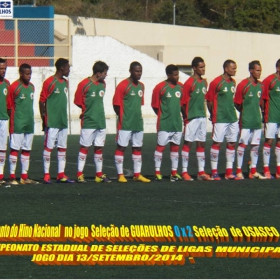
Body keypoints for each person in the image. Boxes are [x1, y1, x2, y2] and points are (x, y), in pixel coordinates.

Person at [113, 61, 150, 183]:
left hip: (138, 123)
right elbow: (116, 105)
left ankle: (137, 174)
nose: (139, 74)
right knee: (121, 147)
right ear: (130, 71)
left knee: (137, 148)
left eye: (140, 71)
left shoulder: (141, 86)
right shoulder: (123, 85)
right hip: (125, 123)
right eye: (137, 71)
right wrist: (123, 117)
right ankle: (120, 175)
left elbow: (139, 104)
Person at [74, 61, 111, 183]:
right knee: (85, 147)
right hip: (89, 121)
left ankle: (99, 174)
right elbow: (78, 101)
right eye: (105, 73)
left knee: (99, 148)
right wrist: (87, 111)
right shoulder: (84, 84)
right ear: (99, 73)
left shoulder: (103, 84)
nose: (106, 75)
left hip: (100, 121)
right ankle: (79, 174)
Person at [39, 58, 74, 184]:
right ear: (62, 68)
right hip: (52, 121)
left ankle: (61, 174)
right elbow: (42, 101)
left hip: (63, 121)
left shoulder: (65, 82)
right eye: (68, 68)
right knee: (48, 148)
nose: (69, 70)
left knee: (62, 148)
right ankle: (46, 175)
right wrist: (44, 118)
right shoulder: (49, 82)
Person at [205, 59, 239, 180]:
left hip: (232, 118)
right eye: (233, 68)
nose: (235, 70)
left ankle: (229, 172)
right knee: (217, 143)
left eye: (235, 68)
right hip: (220, 118)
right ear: (226, 69)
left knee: (231, 143)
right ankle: (214, 172)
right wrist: (212, 114)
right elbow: (209, 100)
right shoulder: (216, 82)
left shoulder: (233, 82)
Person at [181, 57, 212, 181]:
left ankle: (201, 172)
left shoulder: (204, 82)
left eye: (204, 67)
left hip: (202, 117)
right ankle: (184, 172)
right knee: (188, 143)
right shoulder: (189, 83)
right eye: (200, 67)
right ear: (194, 68)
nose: (203, 69)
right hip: (192, 118)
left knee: (201, 143)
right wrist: (186, 117)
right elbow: (182, 103)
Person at [234, 60, 266, 179]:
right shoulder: (243, 84)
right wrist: (245, 112)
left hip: (257, 121)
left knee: (255, 146)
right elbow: (237, 103)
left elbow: (261, 102)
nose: (259, 73)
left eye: (260, 70)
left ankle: (253, 170)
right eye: (257, 70)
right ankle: (238, 171)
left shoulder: (261, 85)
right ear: (251, 70)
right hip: (246, 121)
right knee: (242, 145)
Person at [7, 63, 38, 185]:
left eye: (30, 73)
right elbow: (9, 106)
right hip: (18, 123)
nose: (29, 76)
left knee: (27, 149)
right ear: (21, 73)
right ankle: (12, 176)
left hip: (29, 122)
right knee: (15, 149)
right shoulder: (14, 87)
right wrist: (14, 119)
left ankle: (24, 176)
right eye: (27, 74)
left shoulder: (31, 87)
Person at [151, 64, 184, 182]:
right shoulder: (160, 87)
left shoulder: (181, 87)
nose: (177, 77)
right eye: (175, 75)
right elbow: (155, 106)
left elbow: (183, 105)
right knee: (160, 148)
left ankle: (174, 173)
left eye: (178, 74)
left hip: (177, 124)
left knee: (175, 148)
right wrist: (163, 115)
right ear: (168, 75)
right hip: (164, 124)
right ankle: (157, 172)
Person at [261, 59, 280, 179]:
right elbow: (262, 97)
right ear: (278, 68)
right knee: (269, 141)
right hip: (271, 116)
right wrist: (263, 111)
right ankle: (266, 169)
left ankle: (278, 170)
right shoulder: (269, 80)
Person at [0, 58, 10, 184]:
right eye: (1, 69)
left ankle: (1, 173)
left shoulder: (7, 84)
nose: (3, 71)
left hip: (4, 119)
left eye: (4, 69)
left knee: (2, 148)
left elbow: (10, 105)